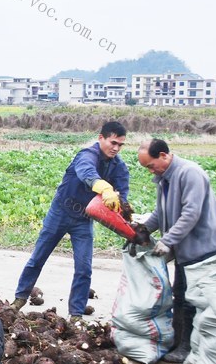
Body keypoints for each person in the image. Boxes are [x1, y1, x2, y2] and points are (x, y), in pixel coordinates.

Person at [12, 121, 129, 322]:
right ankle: (19, 299)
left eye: (120, 145)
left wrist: (120, 204)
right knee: (38, 257)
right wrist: (104, 188)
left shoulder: (119, 168)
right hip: (60, 212)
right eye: (113, 142)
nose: (116, 148)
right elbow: (86, 173)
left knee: (84, 267)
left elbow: (122, 198)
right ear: (101, 138)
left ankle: (76, 314)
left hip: (84, 219)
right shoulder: (86, 155)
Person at [136, 138, 216, 364]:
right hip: (185, 249)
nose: (150, 171)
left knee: (191, 299)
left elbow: (191, 214)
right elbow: (160, 212)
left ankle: (187, 347)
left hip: (202, 247)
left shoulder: (190, 174)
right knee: (179, 296)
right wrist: (141, 231)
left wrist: (167, 241)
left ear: (164, 155)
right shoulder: (164, 179)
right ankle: (178, 342)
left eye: (150, 165)